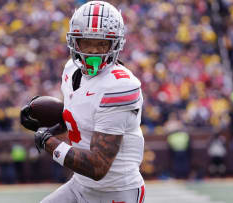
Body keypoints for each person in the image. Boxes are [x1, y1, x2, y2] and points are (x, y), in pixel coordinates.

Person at [20, 1, 145, 203]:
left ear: (115, 44)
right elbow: (81, 118)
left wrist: (48, 142)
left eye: (101, 43)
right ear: (75, 42)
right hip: (81, 185)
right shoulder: (70, 69)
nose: (94, 51)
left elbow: (98, 166)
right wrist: (48, 125)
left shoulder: (120, 86)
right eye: (87, 42)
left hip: (116, 192)